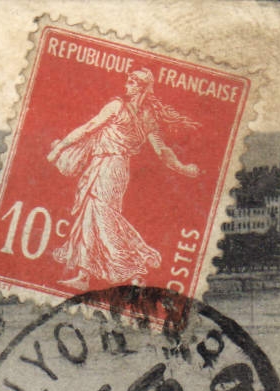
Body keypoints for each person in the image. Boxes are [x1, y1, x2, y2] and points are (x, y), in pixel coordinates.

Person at [46, 68, 202, 291]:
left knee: (103, 218)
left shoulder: (118, 107)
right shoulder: (147, 116)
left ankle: (135, 270)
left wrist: (60, 147)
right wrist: (183, 168)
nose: (126, 86)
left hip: (109, 166)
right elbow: (162, 151)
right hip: (115, 168)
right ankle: (84, 275)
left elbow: (88, 128)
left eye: (130, 82)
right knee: (92, 215)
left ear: (139, 86)